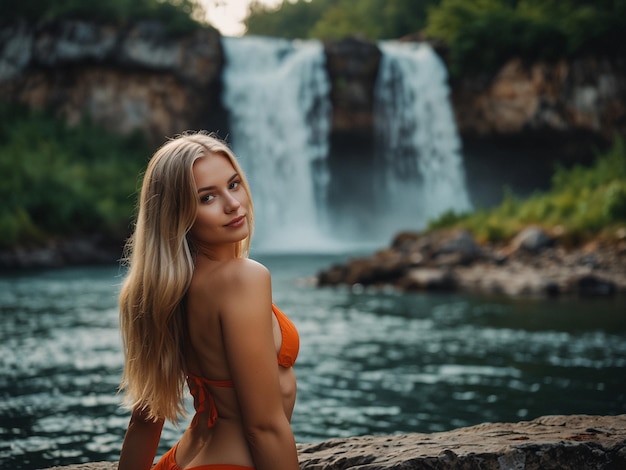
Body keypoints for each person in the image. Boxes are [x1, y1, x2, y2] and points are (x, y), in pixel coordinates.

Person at [117, 131, 300, 470]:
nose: (233, 204)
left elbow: (143, 423)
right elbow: (264, 428)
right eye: (206, 198)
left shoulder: (159, 291)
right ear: (177, 214)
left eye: (233, 185)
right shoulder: (244, 278)